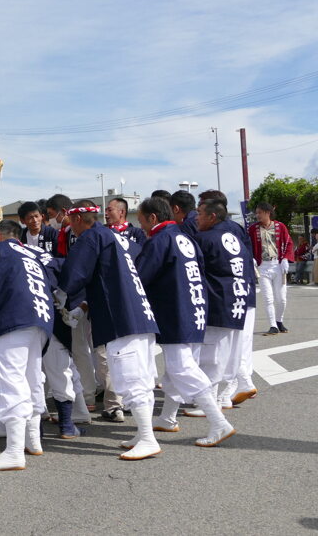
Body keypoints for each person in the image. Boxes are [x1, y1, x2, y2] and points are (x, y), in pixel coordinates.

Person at [58, 203, 161, 461]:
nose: (70, 228)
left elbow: (73, 274)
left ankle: (148, 438)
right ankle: (143, 433)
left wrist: (61, 294)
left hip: (121, 318)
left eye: (71, 222)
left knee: (130, 379)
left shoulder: (91, 236)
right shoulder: (115, 236)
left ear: (79, 219)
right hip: (140, 314)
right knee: (143, 379)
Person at [135, 197, 234, 448]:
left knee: (181, 369)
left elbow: (141, 277)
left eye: (142, 218)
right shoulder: (183, 237)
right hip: (194, 309)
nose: (140, 224)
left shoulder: (160, 239)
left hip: (175, 311)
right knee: (176, 370)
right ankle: (168, 418)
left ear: (153, 218)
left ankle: (218, 422)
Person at [0, 220, 59, 471]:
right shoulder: (32, 253)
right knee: (32, 379)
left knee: (10, 381)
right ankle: (33, 441)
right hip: (42, 320)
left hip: (14, 317)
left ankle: (13, 451)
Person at [194, 198, 257, 408]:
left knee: (212, 356)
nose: (196, 218)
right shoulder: (234, 234)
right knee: (229, 353)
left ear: (212, 216)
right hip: (239, 299)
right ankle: (228, 394)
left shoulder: (206, 238)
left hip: (219, 302)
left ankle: (212, 404)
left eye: (200, 213)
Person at [248, 202, 294, 335]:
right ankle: (273, 325)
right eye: (256, 213)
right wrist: (251, 257)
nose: (257, 215)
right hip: (262, 267)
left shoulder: (280, 226)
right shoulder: (253, 229)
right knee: (268, 298)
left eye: (259, 213)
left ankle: (279, 320)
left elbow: (289, 243)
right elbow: (247, 245)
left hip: (278, 265)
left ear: (267, 212)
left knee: (281, 298)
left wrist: (285, 258)